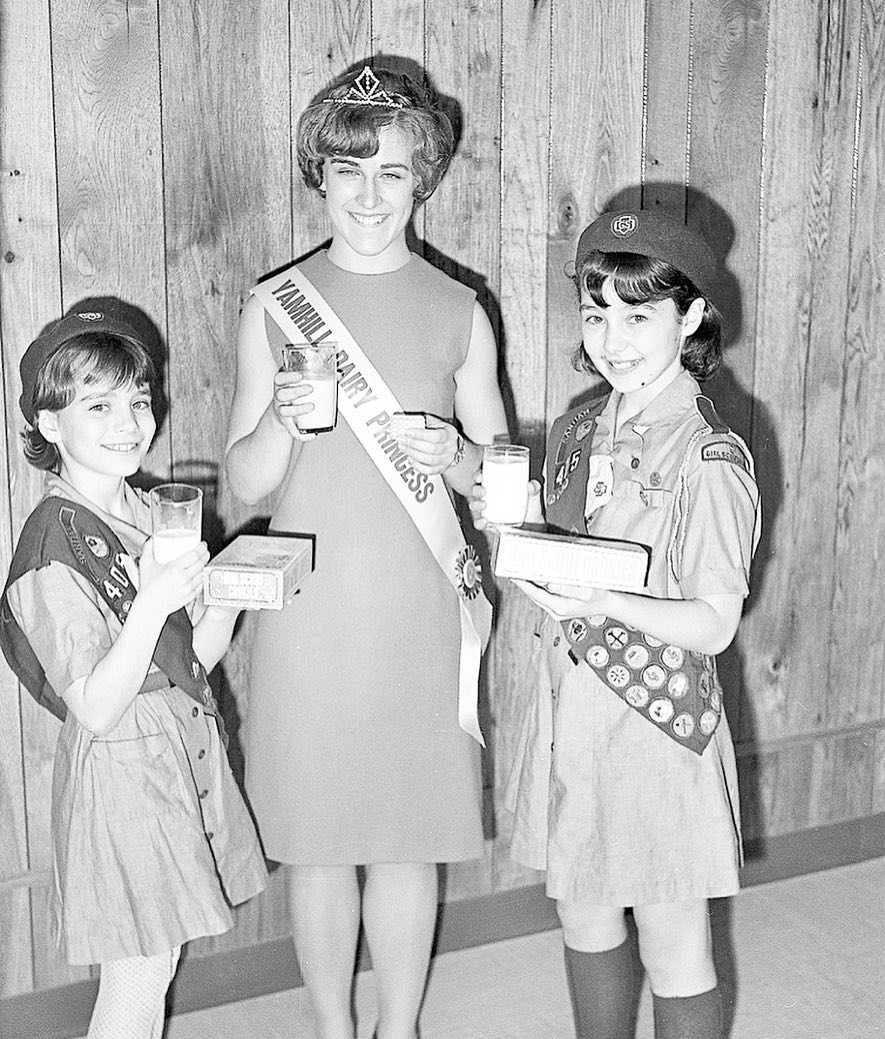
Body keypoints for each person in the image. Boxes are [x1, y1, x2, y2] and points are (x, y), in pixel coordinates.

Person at [224, 64, 507, 1039]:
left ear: (422, 176)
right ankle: (333, 1028)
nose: (369, 195)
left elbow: (503, 485)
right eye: (349, 170)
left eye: (391, 172)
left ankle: (401, 1024)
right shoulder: (276, 305)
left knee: (405, 838)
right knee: (319, 843)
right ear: (319, 176)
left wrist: (464, 456)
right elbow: (242, 484)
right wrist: (283, 429)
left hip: (415, 611)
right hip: (313, 614)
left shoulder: (459, 309)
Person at [472, 209, 760, 1039]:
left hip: (654, 724)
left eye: (639, 316)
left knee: (674, 946)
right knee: (584, 918)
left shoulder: (708, 456)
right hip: (572, 714)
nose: (613, 339)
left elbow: (710, 623)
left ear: (692, 315)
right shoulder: (578, 426)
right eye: (596, 314)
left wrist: (599, 601)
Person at [0, 311, 267, 1039]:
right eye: (99, 405)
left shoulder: (154, 509)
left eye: (138, 400)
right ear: (50, 424)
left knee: (161, 954)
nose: (129, 423)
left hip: (180, 747)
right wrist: (152, 600)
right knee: (140, 966)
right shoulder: (55, 541)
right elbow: (94, 704)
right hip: (120, 768)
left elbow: (193, 660)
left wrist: (229, 596)